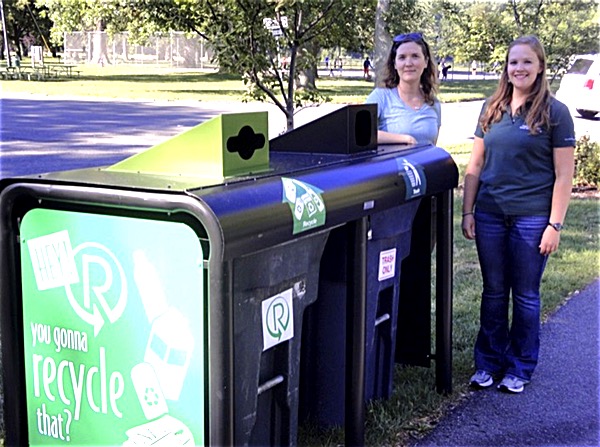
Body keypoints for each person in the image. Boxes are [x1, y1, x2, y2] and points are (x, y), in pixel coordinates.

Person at [462, 35, 576, 394]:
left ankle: (520, 366)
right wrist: (468, 210)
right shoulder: (492, 107)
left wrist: (554, 224)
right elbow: (476, 164)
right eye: (514, 62)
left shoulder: (555, 113)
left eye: (527, 62)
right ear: (506, 68)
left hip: (531, 218)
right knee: (494, 292)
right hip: (490, 214)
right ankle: (488, 363)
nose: (519, 69)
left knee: (525, 294)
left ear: (540, 66)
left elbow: (564, 175)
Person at [365, 32, 441, 146]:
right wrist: (403, 139)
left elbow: (433, 147)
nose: (408, 63)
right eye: (402, 57)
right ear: (395, 64)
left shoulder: (433, 103)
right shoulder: (380, 97)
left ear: (425, 62)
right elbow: (360, 134)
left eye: (415, 56)